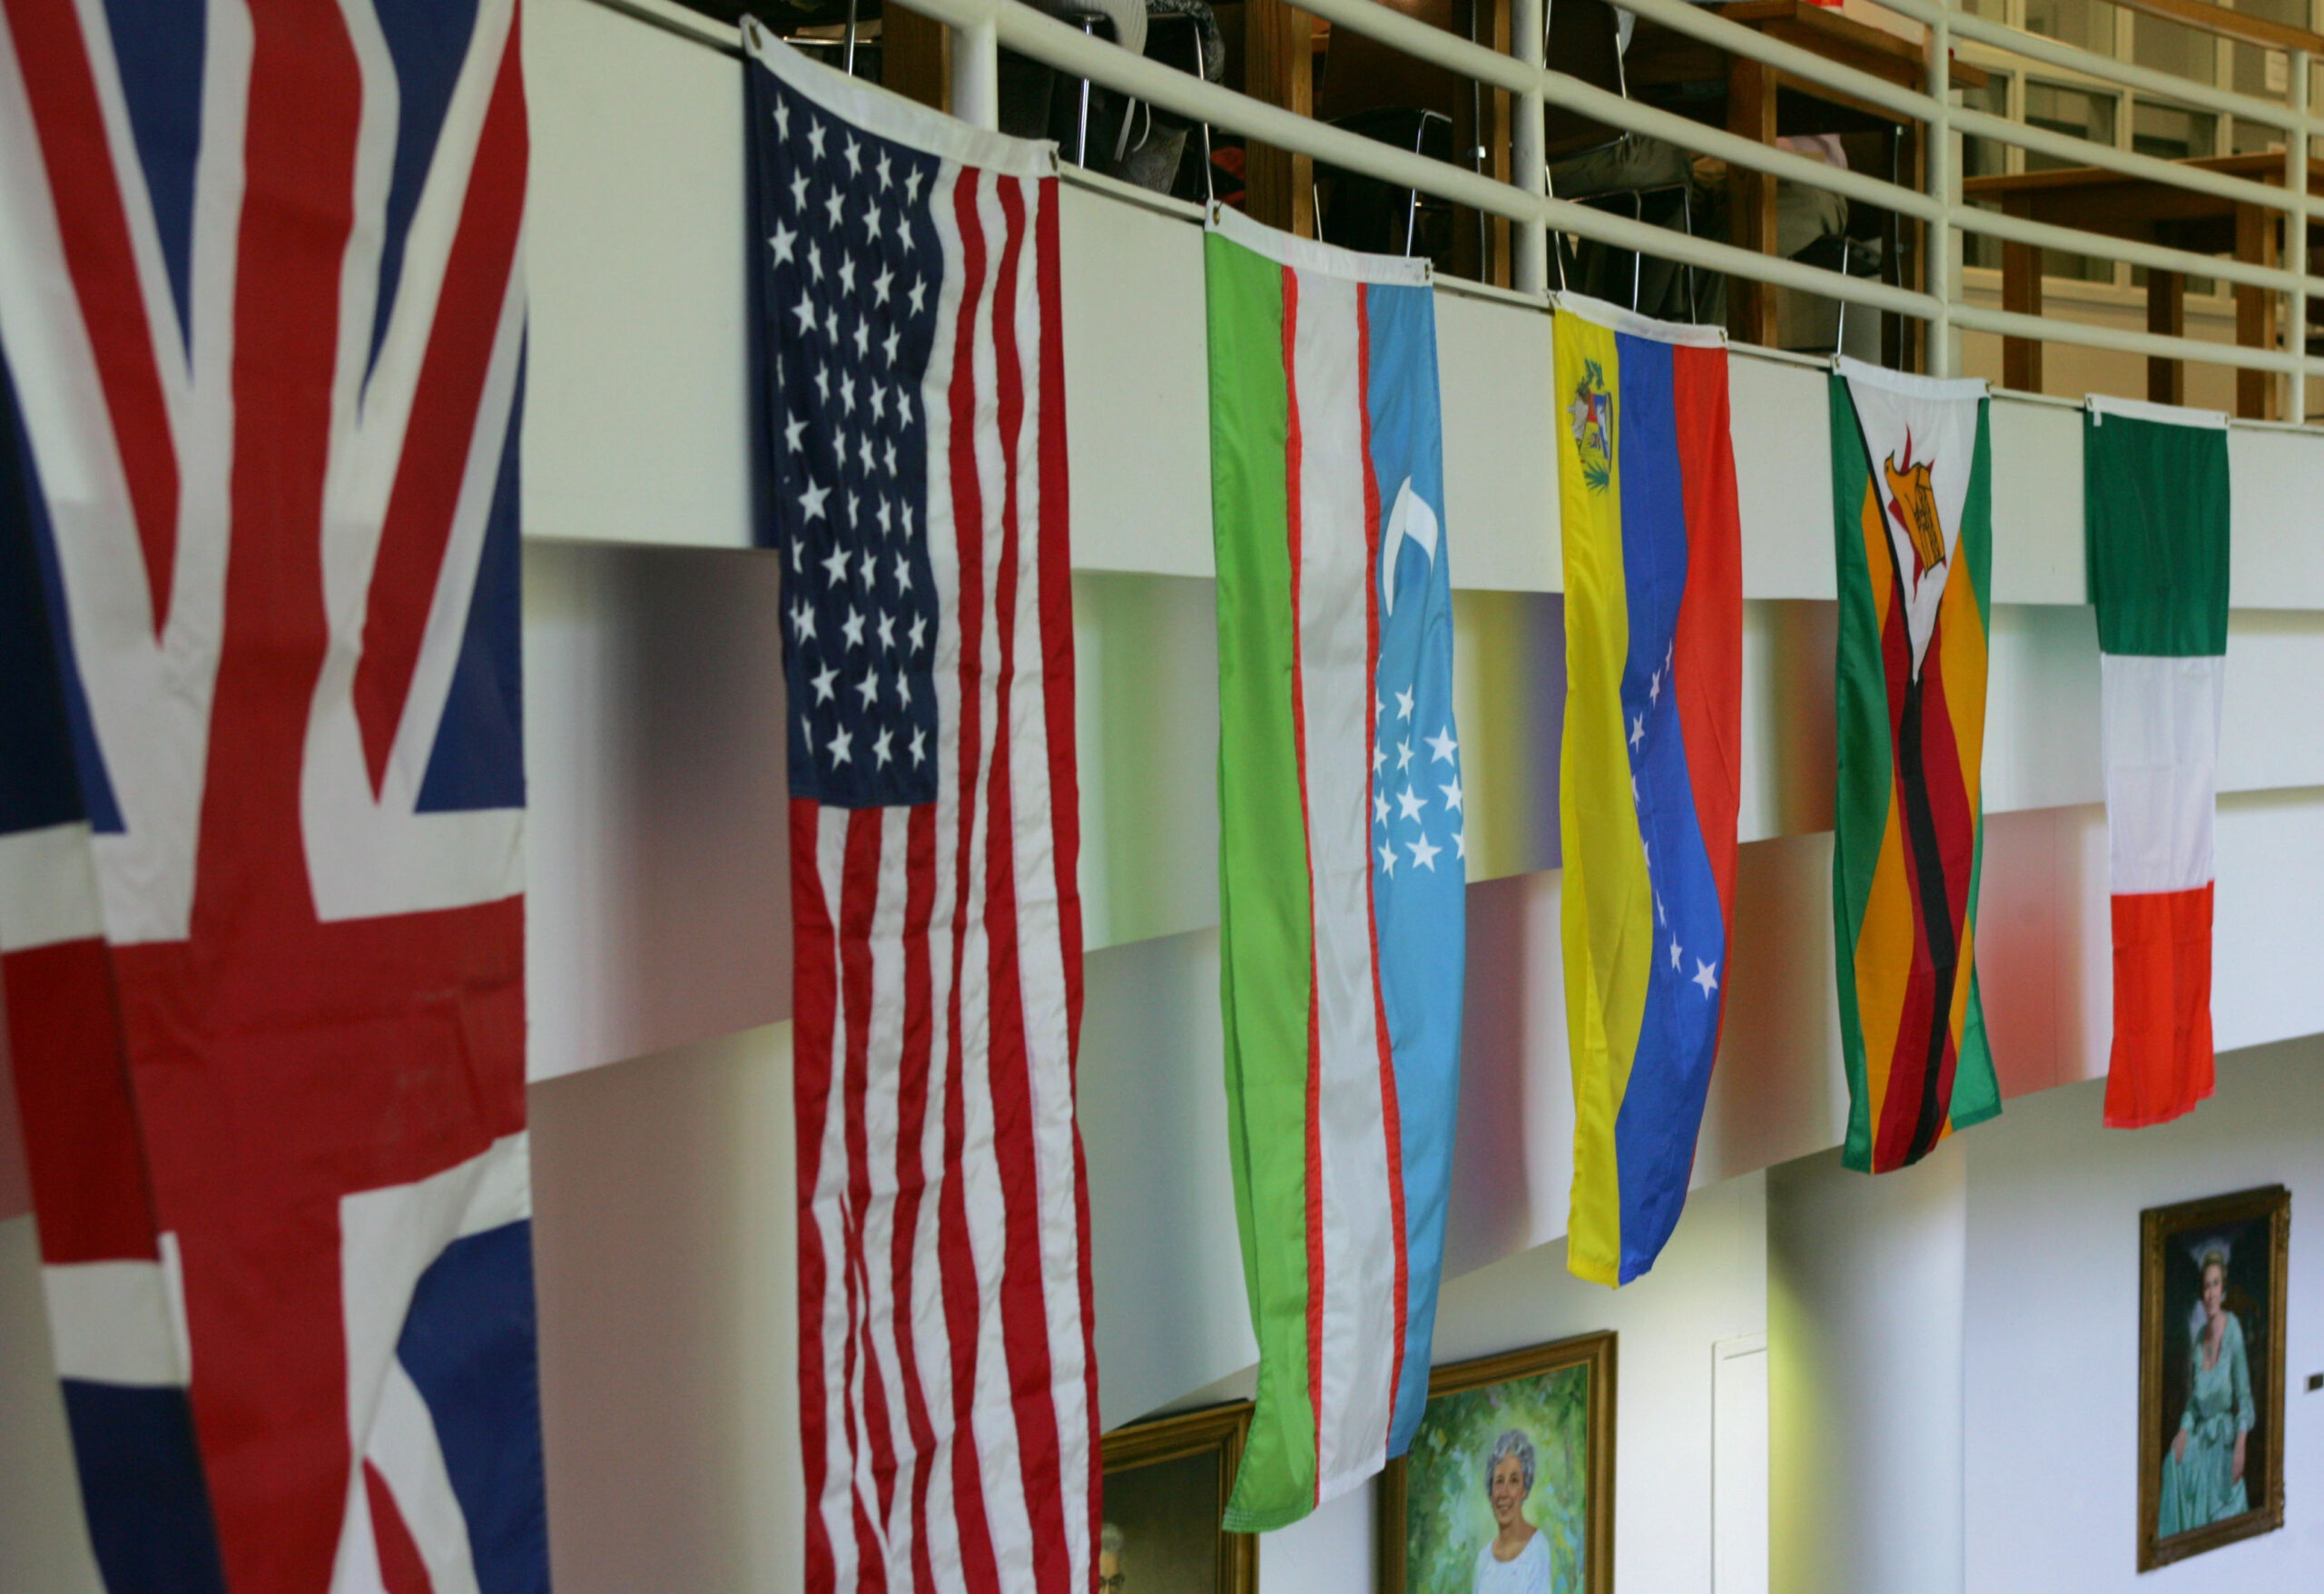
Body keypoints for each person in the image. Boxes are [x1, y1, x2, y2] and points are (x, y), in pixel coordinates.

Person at [2157, 1247, 2256, 1536]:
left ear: (2223, 1289)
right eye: (2206, 1287)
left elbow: (2245, 1399)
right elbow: (2193, 1404)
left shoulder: (2233, 1330)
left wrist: (2240, 1444)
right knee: (2172, 1463)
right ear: (2202, 1294)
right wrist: (2184, 1430)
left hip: (2225, 1440)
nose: (2210, 1293)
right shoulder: (2199, 1339)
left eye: (2215, 1285)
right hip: (2201, 1436)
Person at [1472, 1429, 1553, 1594]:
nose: (1504, 1493)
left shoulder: (1537, 1549)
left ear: (1524, 1489)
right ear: (1491, 1491)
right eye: (1499, 1482)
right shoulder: (1483, 1560)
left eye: (1514, 1481)